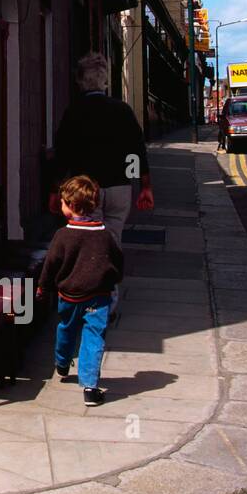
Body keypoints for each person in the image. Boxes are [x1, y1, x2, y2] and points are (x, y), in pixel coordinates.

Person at [36, 175, 124, 406]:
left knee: (66, 329)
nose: (62, 206)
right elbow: (117, 260)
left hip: (69, 295)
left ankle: (62, 363)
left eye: (64, 202)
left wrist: (43, 287)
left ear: (71, 207)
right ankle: (90, 388)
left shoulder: (63, 235)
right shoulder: (104, 235)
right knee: (94, 339)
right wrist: (114, 279)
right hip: (99, 295)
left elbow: (51, 263)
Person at [52, 52, 154, 246]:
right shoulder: (123, 110)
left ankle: (96, 273)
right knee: (113, 240)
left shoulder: (74, 111)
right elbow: (137, 150)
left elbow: (62, 153)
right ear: (104, 79)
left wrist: (54, 190)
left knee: (90, 242)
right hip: (120, 187)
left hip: (87, 189)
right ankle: (111, 272)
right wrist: (145, 186)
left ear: (81, 80)